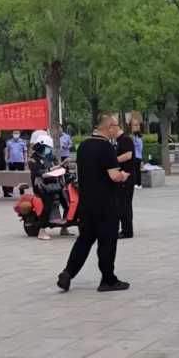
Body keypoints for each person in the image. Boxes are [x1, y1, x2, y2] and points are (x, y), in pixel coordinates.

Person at [57, 113, 130, 293]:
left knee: (84, 240)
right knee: (107, 241)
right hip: (105, 203)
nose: (117, 130)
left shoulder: (83, 146)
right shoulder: (106, 147)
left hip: (86, 202)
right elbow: (113, 175)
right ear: (109, 127)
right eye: (116, 126)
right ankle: (108, 280)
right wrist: (123, 175)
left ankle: (67, 273)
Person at [115, 115, 142, 238]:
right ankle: (125, 229)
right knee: (123, 204)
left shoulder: (125, 139)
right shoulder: (120, 140)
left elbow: (128, 155)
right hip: (123, 177)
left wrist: (113, 160)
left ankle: (127, 231)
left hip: (127, 177)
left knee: (124, 204)